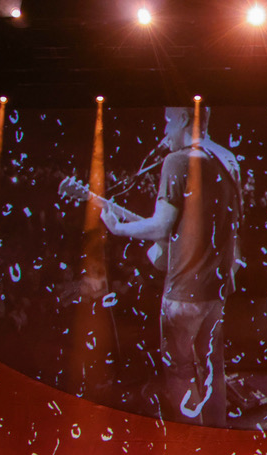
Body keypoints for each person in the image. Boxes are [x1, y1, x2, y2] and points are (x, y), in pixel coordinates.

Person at [101, 106, 242, 426]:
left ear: (183, 119)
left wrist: (118, 228)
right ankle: (219, 439)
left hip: (184, 291)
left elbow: (162, 226)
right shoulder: (228, 159)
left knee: (179, 371)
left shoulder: (177, 161)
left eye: (167, 121)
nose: (164, 131)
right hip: (217, 288)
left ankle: (192, 446)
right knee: (212, 368)